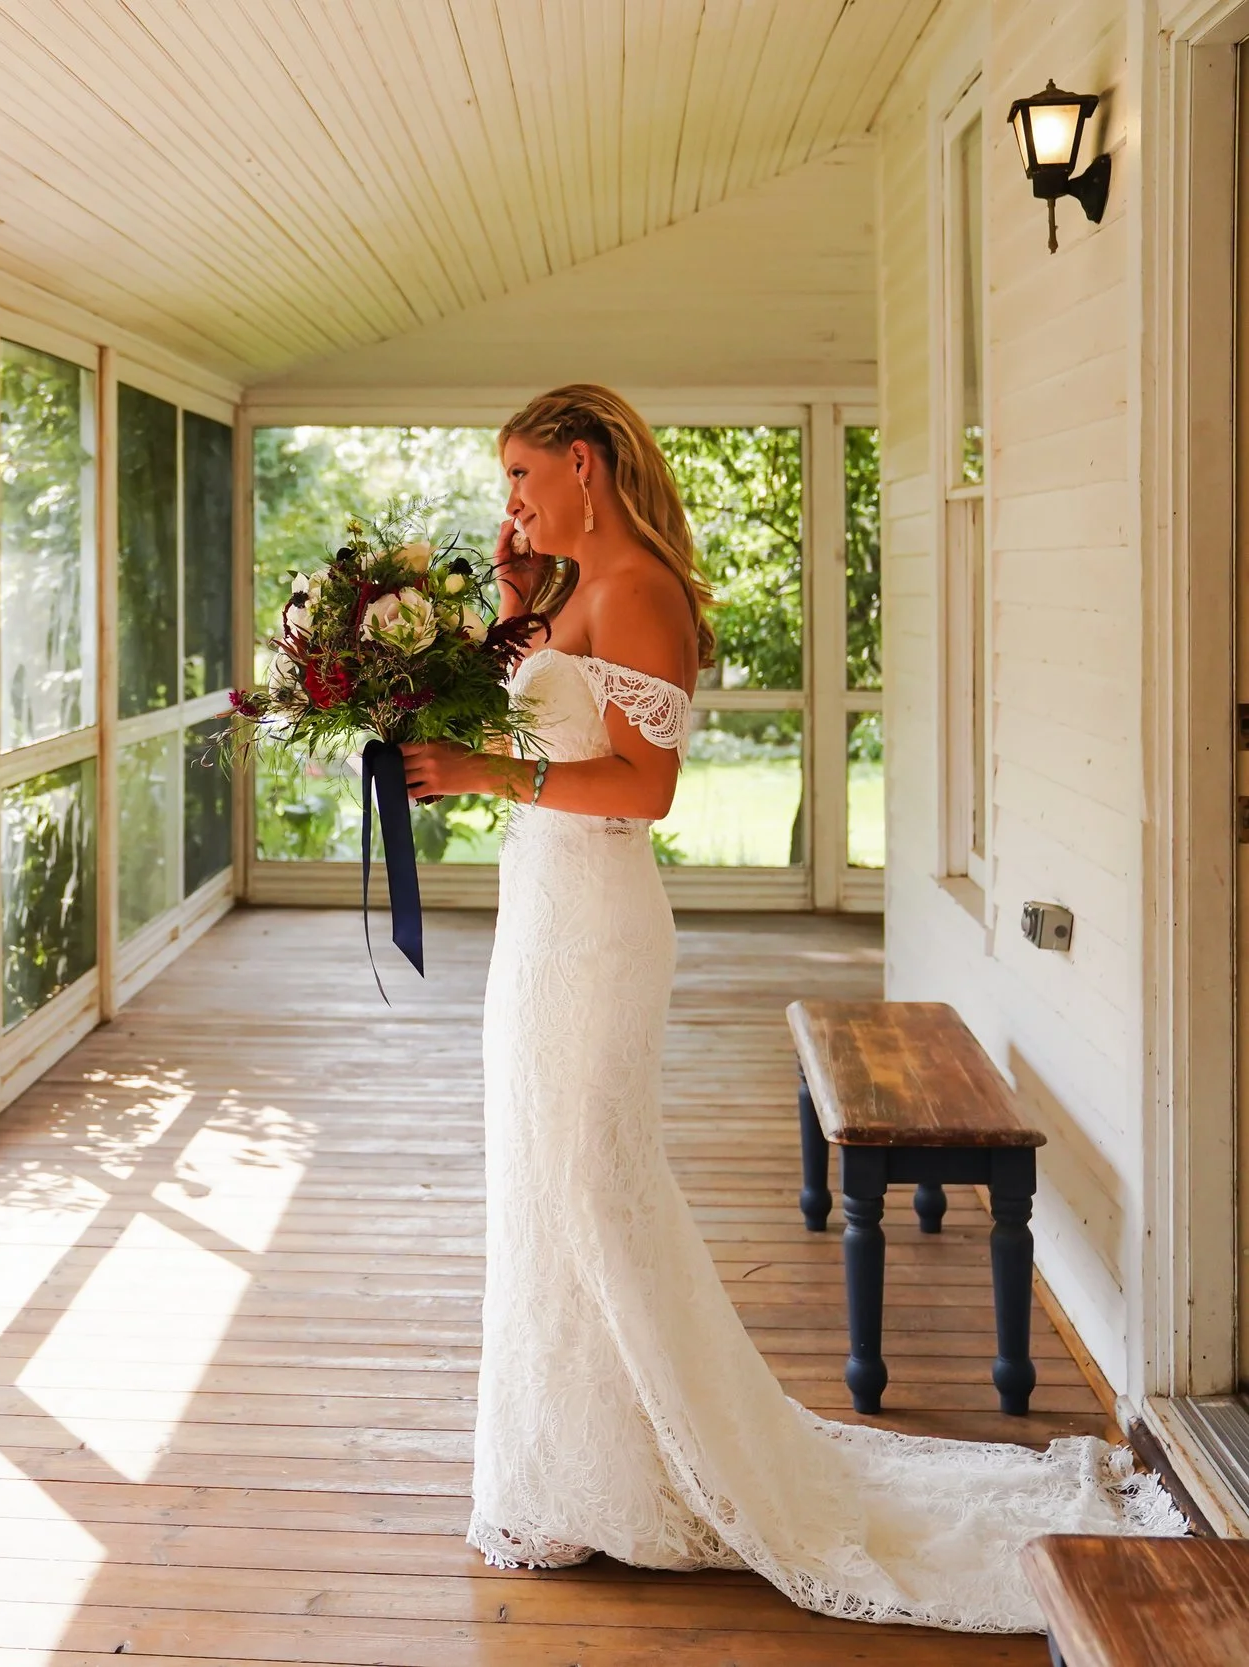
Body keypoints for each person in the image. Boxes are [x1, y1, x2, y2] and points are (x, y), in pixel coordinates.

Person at [396, 385, 1180, 1632]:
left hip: (596, 923)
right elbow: (544, 714)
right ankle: (570, 1469)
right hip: (539, 916)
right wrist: (504, 607)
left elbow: (643, 787)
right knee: (542, 1179)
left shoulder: (642, 586)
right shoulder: (553, 590)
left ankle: (669, 1463)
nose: (512, 501)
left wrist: (485, 768)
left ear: (585, 465)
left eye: (522, 476)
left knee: (595, 1181)